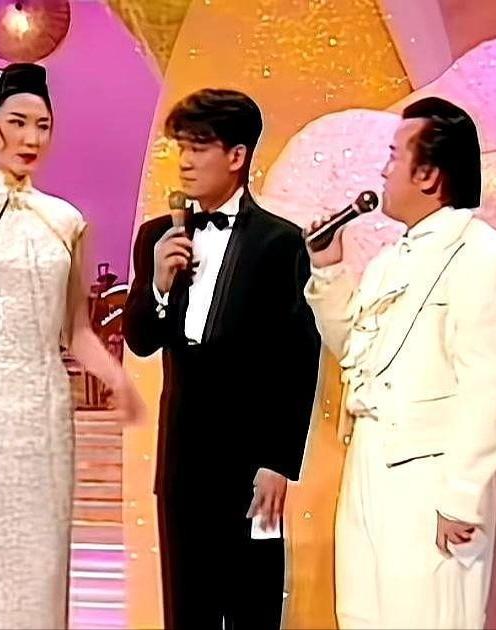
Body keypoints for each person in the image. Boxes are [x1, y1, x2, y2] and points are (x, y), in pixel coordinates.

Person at [0, 63, 144, 629]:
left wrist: (117, 378)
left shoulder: (66, 221)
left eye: (42, 125)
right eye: (17, 122)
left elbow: (76, 331)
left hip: (45, 416)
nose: (31, 137)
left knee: (41, 570)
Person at [304, 96, 496, 629]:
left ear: (428, 174)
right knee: (361, 616)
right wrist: (329, 271)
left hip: (431, 476)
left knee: (428, 616)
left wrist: (462, 496)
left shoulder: (489, 258)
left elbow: (488, 385)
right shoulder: (389, 261)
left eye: (394, 155)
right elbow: (356, 350)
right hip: (369, 463)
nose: (384, 171)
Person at [122, 88, 321, 629]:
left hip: (255, 467)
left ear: (236, 155)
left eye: (199, 147)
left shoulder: (280, 243)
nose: (185, 161)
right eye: (181, 147)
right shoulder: (157, 236)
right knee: (187, 610)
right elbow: (140, 339)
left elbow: (297, 359)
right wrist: (158, 285)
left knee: (255, 606)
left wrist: (279, 462)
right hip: (183, 464)